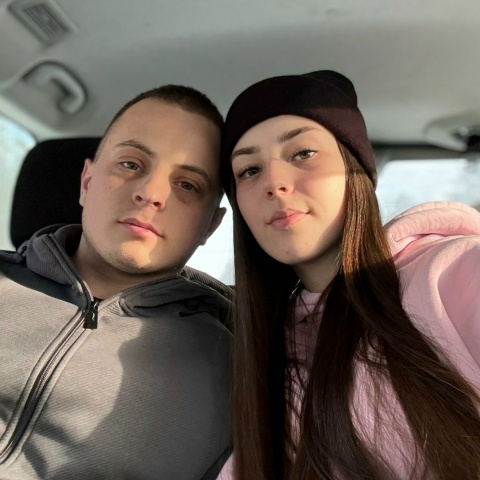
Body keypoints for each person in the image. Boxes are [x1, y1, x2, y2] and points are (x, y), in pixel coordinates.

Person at [217, 70, 480, 479]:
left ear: (354, 168)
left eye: (303, 153)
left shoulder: (453, 270)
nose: (275, 183)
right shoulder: (261, 351)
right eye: (249, 170)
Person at [0, 85, 233, 479]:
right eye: (130, 164)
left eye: (187, 185)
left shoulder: (235, 368)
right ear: (86, 182)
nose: (150, 193)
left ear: (210, 225)